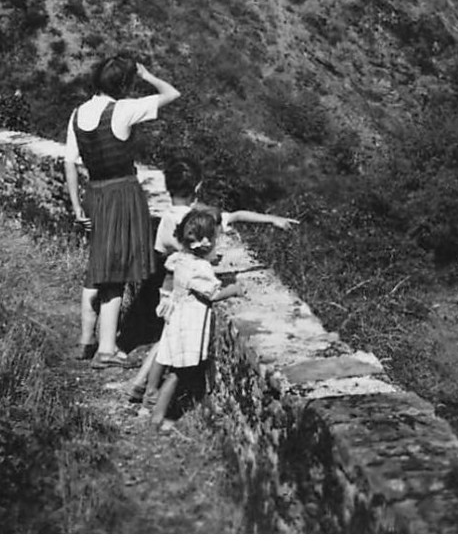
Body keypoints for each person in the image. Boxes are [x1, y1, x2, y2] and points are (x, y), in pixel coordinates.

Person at [122, 161, 298, 406]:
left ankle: (142, 384)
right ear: (198, 187)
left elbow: (167, 251)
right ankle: (145, 387)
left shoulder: (167, 220)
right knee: (167, 342)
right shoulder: (195, 222)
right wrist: (271, 219)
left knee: (166, 339)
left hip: (166, 287)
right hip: (184, 294)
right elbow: (233, 217)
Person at [65, 54, 181, 368]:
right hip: (121, 193)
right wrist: (147, 75)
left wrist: (77, 205)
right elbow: (172, 94)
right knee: (115, 271)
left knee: (99, 263)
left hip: (95, 193)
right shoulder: (123, 110)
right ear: (124, 84)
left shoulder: (78, 113)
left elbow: (70, 162)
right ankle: (106, 349)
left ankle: (86, 337)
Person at [149, 210, 244, 431]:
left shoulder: (179, 259)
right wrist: (233, 289)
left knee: (171, 364)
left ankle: (154, 403)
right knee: (176, 374)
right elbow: (213, 294)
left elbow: (171, 282)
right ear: (208, 243)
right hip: (188, 324)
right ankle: (158, 418)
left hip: (177, 317)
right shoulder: (200, 268)